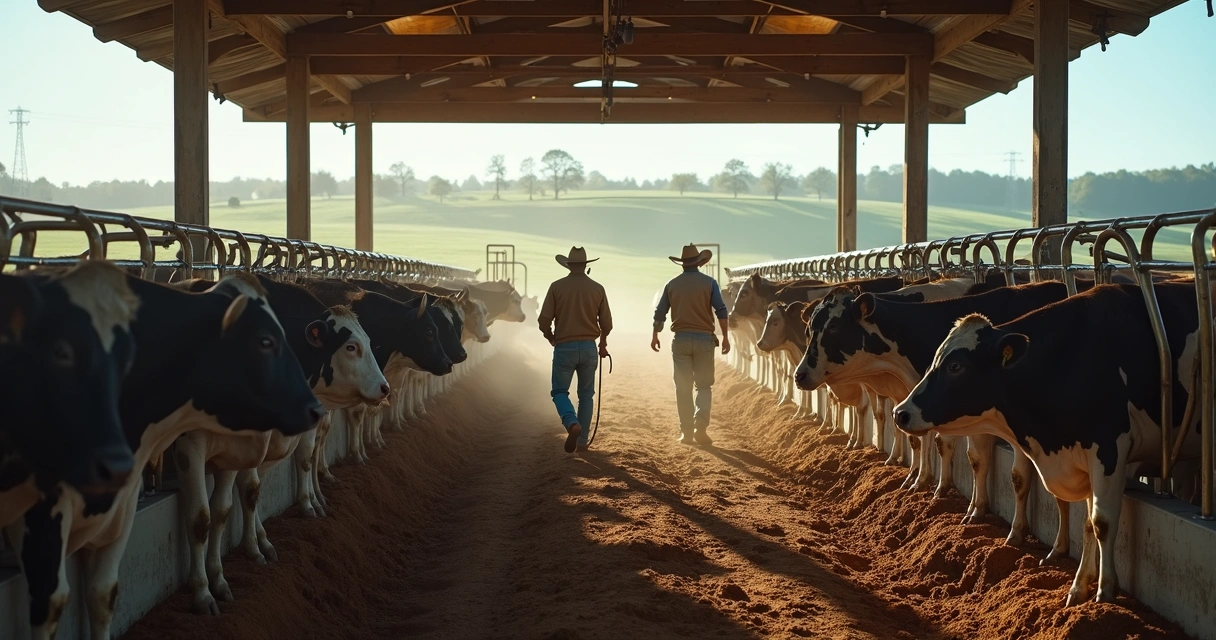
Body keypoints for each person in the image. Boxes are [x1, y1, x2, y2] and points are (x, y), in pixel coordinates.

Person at [651, 244, 730, 446]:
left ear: (682, 264)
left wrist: (655, 335)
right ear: (698, 263)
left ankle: (686, 432)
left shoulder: (672, 284)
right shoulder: (709, 283)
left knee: (683, 387)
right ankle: (700, 425)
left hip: (681, 340)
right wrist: (725, 337)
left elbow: (660, 313)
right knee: (703, 386)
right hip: (704, 340)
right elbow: (721, 310)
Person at [538, 247, 612, 453]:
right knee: (586, 395)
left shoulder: (556, 287)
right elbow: (607, 323)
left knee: (559, 391)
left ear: (568, 265)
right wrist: (603, 343)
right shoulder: (598, 288)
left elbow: (543, 320)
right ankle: (582, 442)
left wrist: (550, 336)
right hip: (589, 347)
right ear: (585, 265)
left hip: (564, 346)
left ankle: (571, 422)